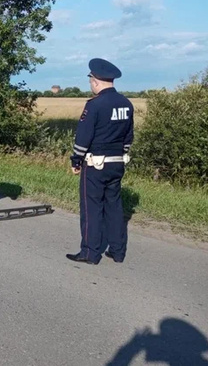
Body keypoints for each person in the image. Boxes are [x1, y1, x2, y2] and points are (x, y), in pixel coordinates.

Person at [66, 58, 134, 265]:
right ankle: (117, 251)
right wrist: (122, 154)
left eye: (90, 81)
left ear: (95, 81)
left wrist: (76, 160)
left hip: (96, 165)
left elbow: (83, 137)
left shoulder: (94, 105)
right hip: (117, 163)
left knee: (92, 208)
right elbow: (128, 136)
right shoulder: (126, 103)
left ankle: (90, 253)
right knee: (114, 207)